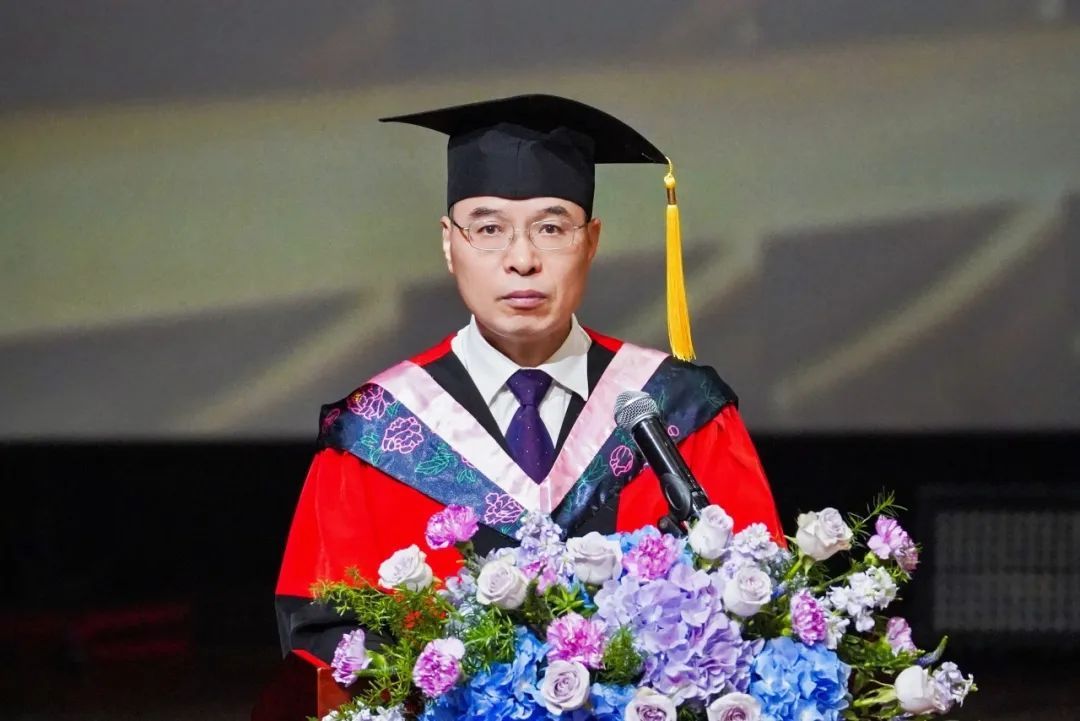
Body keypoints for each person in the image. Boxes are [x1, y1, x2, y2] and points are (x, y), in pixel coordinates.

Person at [274, 94, 784, 662]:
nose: (522, 259)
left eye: (551, 227)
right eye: (488, 228)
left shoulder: (681, 411)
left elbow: (757, 609)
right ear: (448, 243)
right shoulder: (372, 434)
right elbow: (325, 641)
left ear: (591, 242)